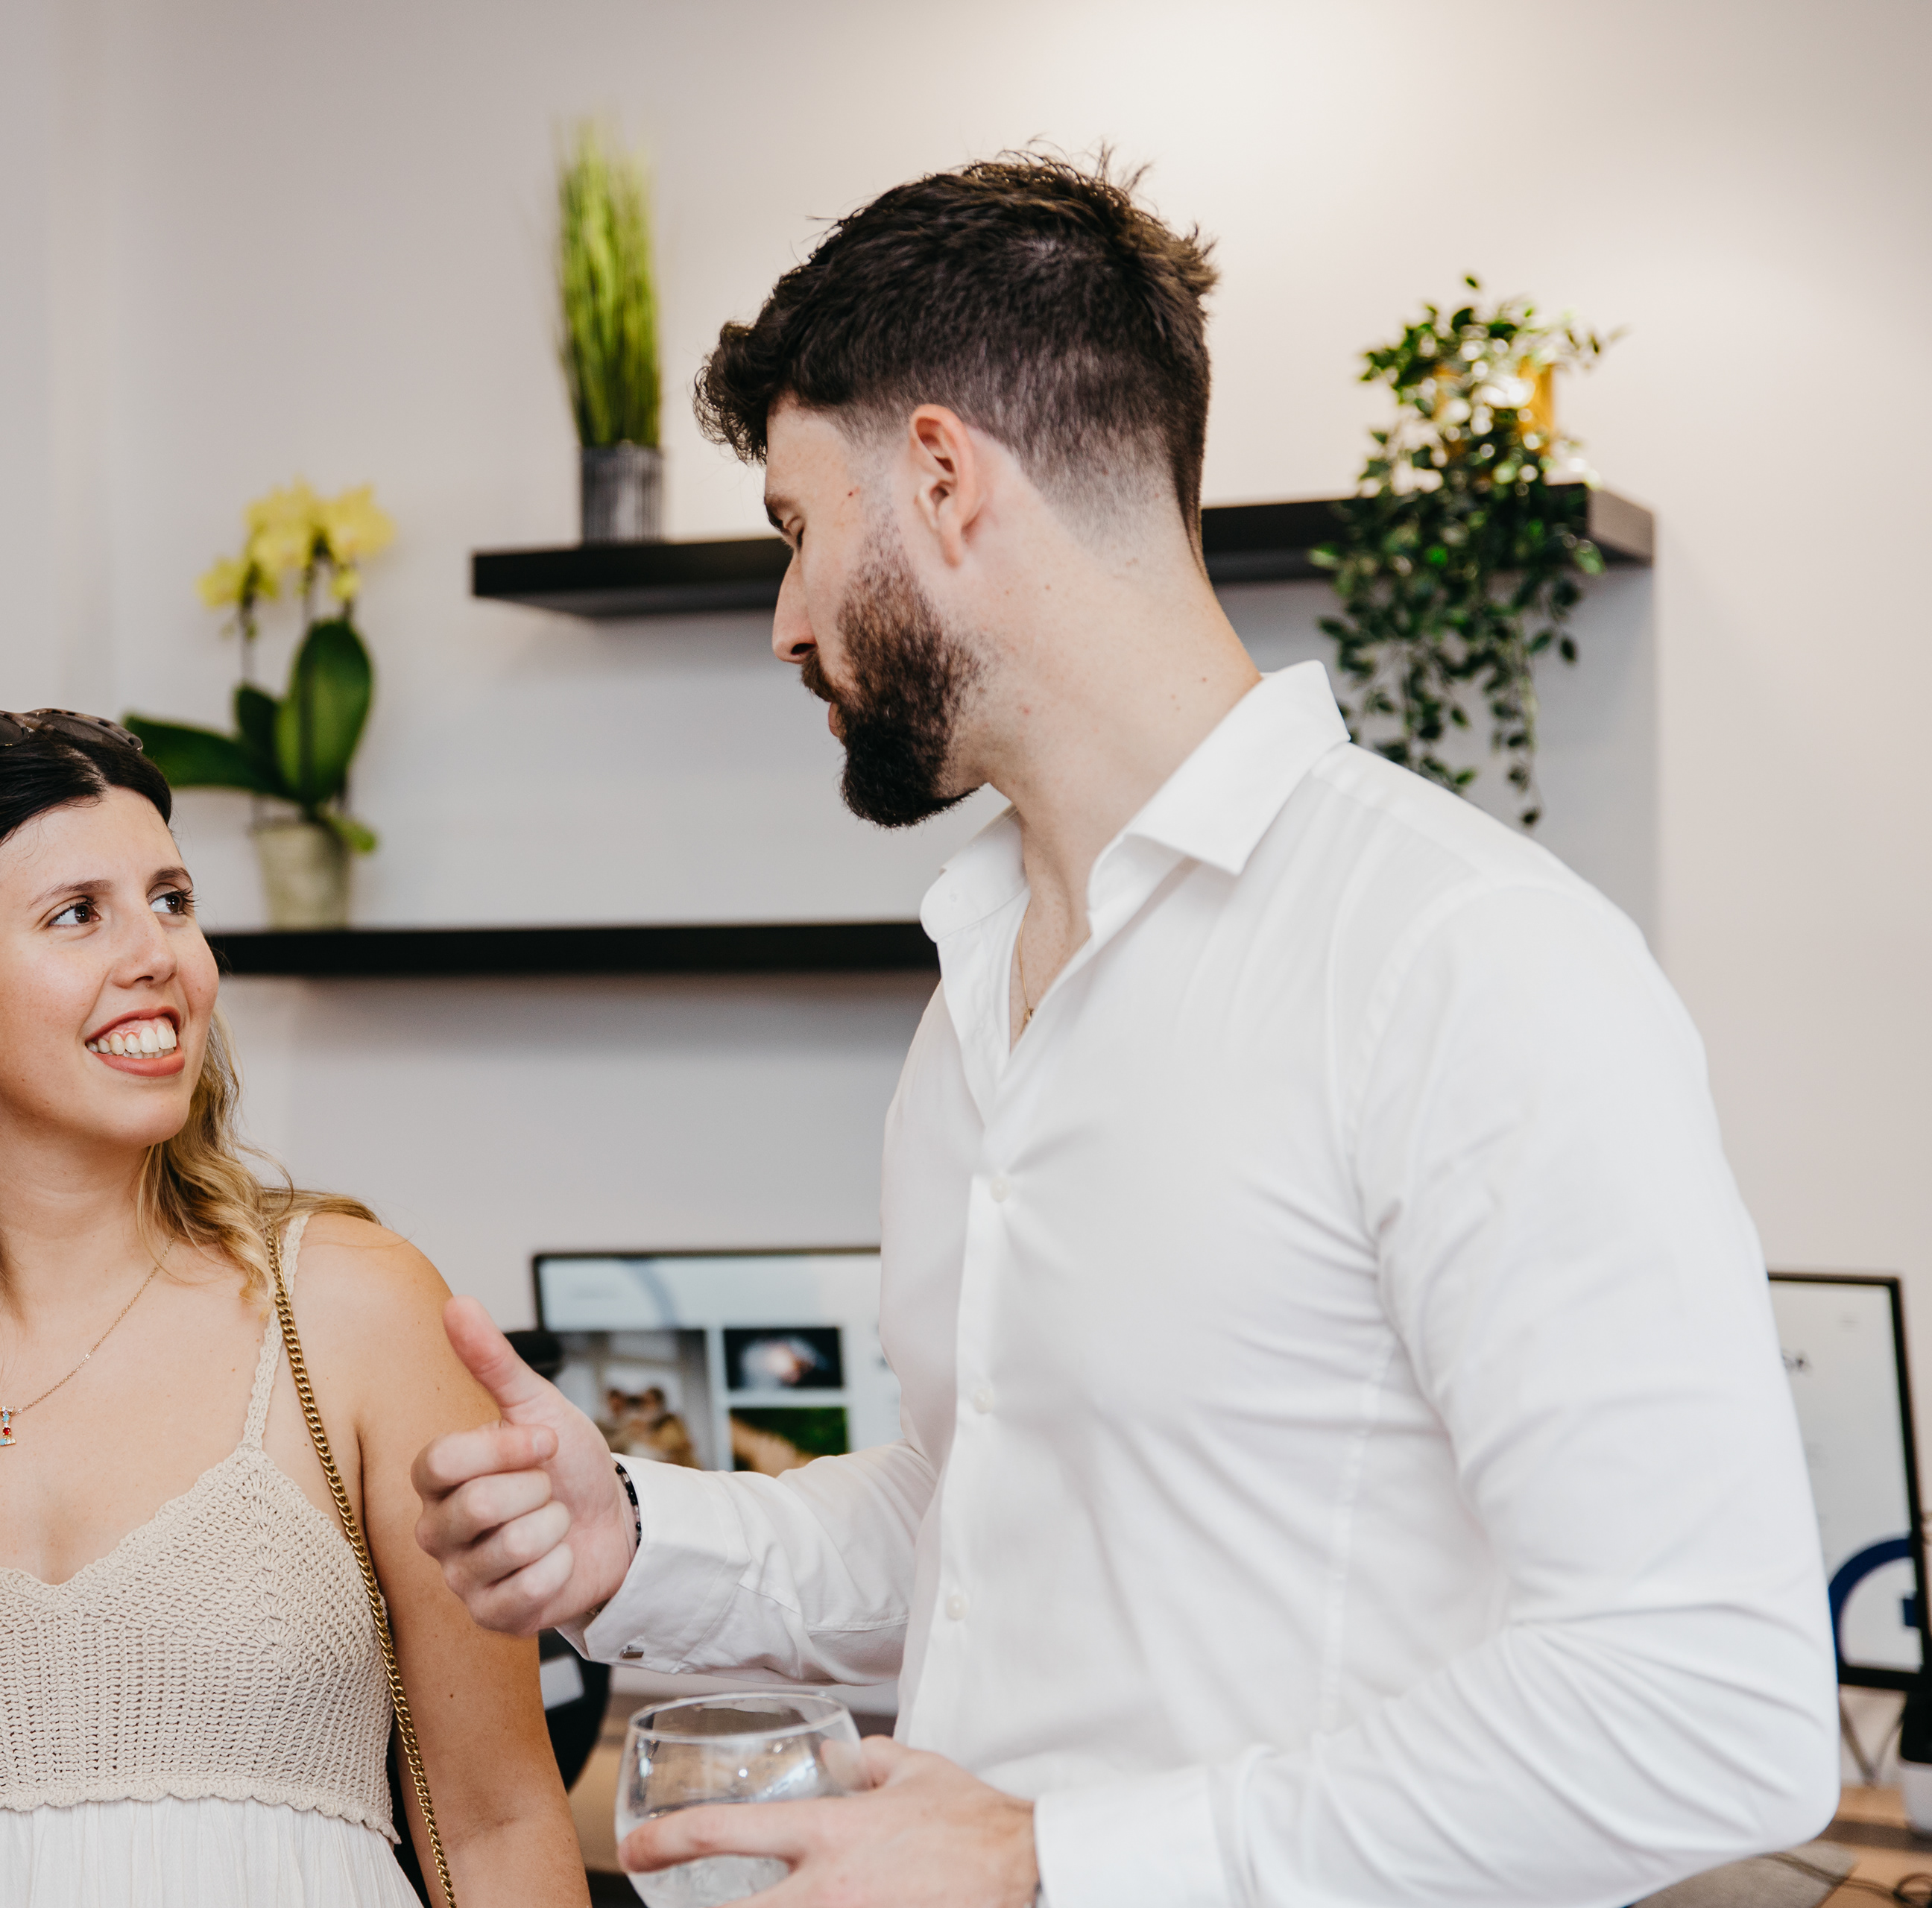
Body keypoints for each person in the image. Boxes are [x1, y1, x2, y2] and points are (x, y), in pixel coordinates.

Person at [412, 153, 1839, 1907]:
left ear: (942, 476)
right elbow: (990, 1528)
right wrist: (637, 1533)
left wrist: (1045, 1854)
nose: (785, 623)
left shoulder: (1462, 958)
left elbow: (1703, 1703)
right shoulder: (979, 991)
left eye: (796, 529)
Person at [0, 707, 585, 1908]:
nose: (159, 955)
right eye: (78, 914)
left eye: (171, 901)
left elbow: (496, 1823)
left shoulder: (354, 1306)